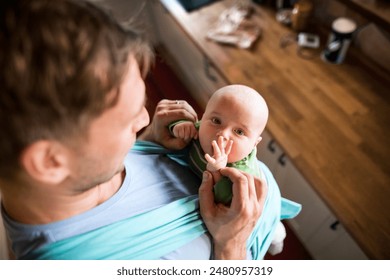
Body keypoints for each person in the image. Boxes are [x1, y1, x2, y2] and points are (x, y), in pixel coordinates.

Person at [0, 0, 300, 260]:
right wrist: (231, 247)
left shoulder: (69, 171)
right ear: (50, 162)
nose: (146, 118)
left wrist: (150, 141)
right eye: (127, 120)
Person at [169, 85, 268, 205]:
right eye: (217, 121)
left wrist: (217, 173)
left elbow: (229, 203)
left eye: (239, 132)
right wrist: (180, 127)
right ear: (204, 115)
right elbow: (172, 129)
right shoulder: (203, 129)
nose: (223, 134)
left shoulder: (243, 173)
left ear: (254, 144)